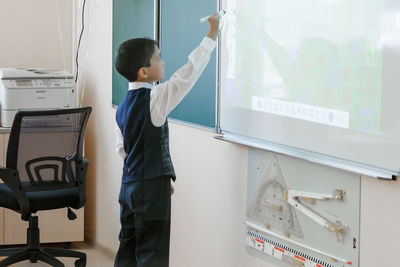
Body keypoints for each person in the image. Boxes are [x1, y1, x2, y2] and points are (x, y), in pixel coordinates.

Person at [113, 12, 222, 267]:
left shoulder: (121, 107)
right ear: (144, 72)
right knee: (153, 252)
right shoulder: (155, 98)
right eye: (158, 59)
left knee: (128, 249)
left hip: (128, 187)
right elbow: (188, 75)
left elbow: (123, 149)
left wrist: (158, 176)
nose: (163, 62)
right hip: (150, 189)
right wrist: (211, 35)